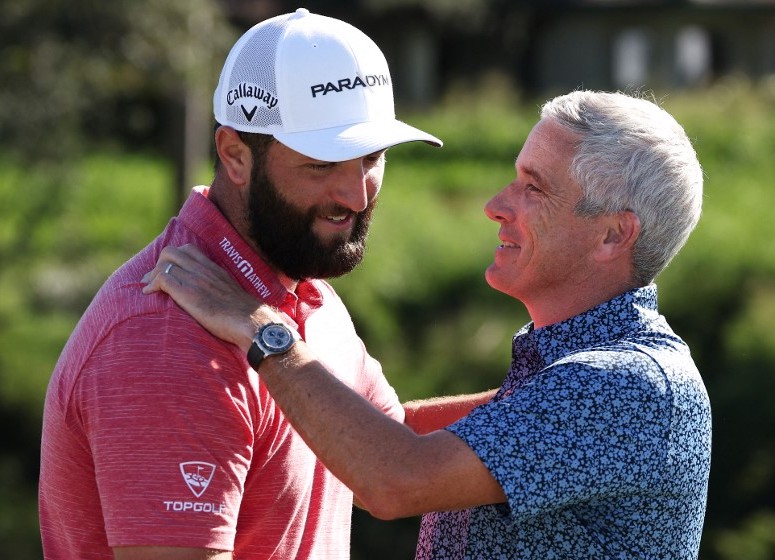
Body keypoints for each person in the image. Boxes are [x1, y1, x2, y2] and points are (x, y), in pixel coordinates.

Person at [143, 90, 712, 559]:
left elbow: (394, 480)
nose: (496, 204)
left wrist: (262, 328)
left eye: (533, 188)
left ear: (614, 234)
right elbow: (388, 438)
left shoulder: (625, 387)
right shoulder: (577, 374)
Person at [38, 8, 445, 559]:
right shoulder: (166, 347)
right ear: (234, 155)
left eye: (371, 158)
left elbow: (388, 448)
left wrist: (570, 395)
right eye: (322, 165)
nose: (357, 195)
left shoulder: (302, 284)